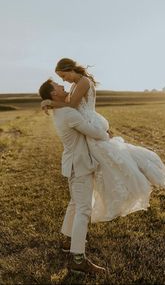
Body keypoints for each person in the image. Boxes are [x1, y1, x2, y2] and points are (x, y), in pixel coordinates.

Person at [41, 58, 165, 225]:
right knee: (106, 162)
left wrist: (50, 102)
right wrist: (51, 103)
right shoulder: (75, 84)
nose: (63, 80)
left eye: (63, 75)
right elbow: (68, 103)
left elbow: (72, 104)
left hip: (89, 123)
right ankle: (108, 196)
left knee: (111, 160)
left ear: (70, 69)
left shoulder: (83, 82)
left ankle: (130, 188)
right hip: (86, 122)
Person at [39, 80, 108, 274]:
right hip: (79, 167)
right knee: (84, 210)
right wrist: (107, 132)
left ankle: (67, 240)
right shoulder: (68, 113)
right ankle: (78, 259)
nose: (63, 86)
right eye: (58, 86)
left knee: (75, 204)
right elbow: (95, 133)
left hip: (73, 165)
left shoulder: (60, 110)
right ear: (54, 95)